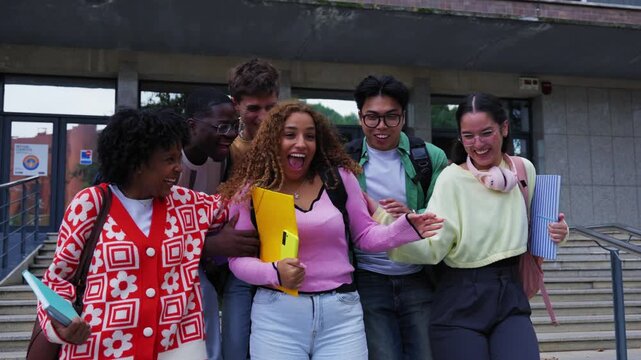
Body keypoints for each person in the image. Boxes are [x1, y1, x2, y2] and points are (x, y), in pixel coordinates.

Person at [217, 101, 444, 360]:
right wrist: (274, 272)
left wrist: (406, 227)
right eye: (290, 134)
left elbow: (365, 236)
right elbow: (238, 261)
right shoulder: (251, 192)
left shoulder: (340, 179)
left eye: (310, 136)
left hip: (341, 316)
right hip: (277, 316)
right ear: (272, 139)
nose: (301, 143)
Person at [36, 108, 231, 359]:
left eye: (177, 158)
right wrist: (61, 324)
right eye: (169, 160)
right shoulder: (91, 204)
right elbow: (58, 279)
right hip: (103, 347)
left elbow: (238, 206)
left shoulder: (188, 204)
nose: (178, 169)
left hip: (177, 348)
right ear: (137, 162)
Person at [389, 93, 568, 360]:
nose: (478, 144)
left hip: (510, 293)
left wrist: (560, 233)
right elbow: (435, 245)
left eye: (486, 133)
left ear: (504, 128)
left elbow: (540, 227)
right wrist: (388, 235)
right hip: (459, 297)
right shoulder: (451, 179)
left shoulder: (523, 169)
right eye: (468, 136)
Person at [347, 75, 448, 360]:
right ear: (360, 118)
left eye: (391, 117)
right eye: (372, 117)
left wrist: (413, 218)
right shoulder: (344, 162)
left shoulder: (429, 157)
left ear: (403, 117)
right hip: (368, 277)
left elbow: (446, 217)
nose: (381, 126)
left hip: (417, 275)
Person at [177, 87, 260, 360]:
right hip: (171, 270)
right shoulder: (170, 162)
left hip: (210, 267)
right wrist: (208, 245)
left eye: (233, 126)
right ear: (192, 126)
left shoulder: (222, 161)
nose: (231, 134)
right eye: (221, 126)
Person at [222, 57, 280, 360]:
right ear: (236, 105)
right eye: (253, 108)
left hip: (284, 259)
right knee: (235, 345)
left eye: (270, 107)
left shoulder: (292, 144)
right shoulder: (225, 148)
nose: (263, 116)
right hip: (239, 263)